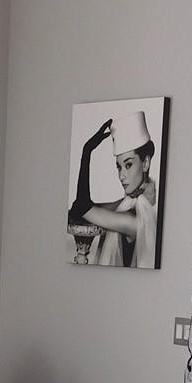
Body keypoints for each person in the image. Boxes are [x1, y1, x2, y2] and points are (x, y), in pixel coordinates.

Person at [67, 110, 158, 267]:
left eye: (128, 165)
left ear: (145, 163)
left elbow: (82, 207)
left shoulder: (134, 221)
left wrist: (86, 151)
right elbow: (79, 210)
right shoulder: (132, 203)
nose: (121, 175)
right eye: (119, 167)